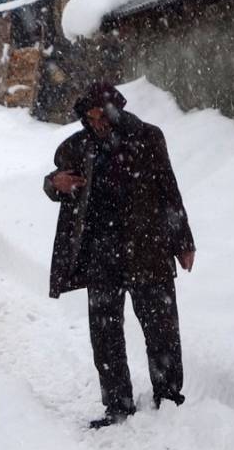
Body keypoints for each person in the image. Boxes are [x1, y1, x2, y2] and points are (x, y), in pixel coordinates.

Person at [43, 82, 195, 429]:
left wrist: (183, 241)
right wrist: (55, 184)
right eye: (90, 117)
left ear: (117, 111)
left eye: (102, 116)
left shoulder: (148, 139)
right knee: (105, 333)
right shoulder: (77, 146)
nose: (97, 123)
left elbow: (169, 192)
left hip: (148, 248)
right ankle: (117, 405)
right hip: (101, 253)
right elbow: (54, 180)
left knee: (161, 328)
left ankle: (169, 397)